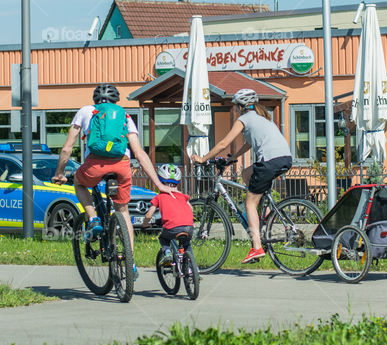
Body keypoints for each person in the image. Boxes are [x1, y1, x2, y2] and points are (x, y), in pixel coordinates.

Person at [52, 84, 174, 278]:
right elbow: (140, 153)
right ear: (115, 101)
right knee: (122, 210)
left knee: (79, 182)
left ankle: (93, 220)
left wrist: (59, 172)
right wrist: (159, 184)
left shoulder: (86, 111)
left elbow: (67, 148)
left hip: (95, 165)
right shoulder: (125, 116)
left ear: (95, 100)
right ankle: (131, 262)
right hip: (122, 166)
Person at [191, 88, 292, 264]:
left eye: (236, 105)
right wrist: (235, 157)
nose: (236, 108)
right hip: (284, 158)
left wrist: (203, 158)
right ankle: (267, 214)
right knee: (247, 173)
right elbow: (249, 143)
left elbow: (223, 143)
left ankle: (256, 247)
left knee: (249, 203)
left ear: (240, 106)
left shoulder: (244, 119)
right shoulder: (263, 118)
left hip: (268, 161)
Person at [140, 163, 194, 257]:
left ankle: (167, 253)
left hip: (172, 228)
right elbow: (191, 209)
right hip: (189, 227)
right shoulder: (182, 195)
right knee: (187, 244)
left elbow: (149, 215)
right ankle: (191, 266)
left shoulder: (159, 197)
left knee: (163, 238)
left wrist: (145, 224)